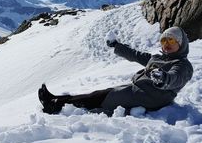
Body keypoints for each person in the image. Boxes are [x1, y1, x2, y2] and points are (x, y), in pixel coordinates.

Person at [38, 26, 193, 115]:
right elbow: (136, 55)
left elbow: (176, 77)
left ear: (181, 43)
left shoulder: (182, 64)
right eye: (164, 40)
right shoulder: (158, 58)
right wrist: (116, 46)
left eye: (171, 40)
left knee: (102, 99)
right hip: (138, 91)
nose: (166, 44)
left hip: (150, 97)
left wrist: (164, 79)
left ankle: (56, 106)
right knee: (99, 94)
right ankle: (56, 100)